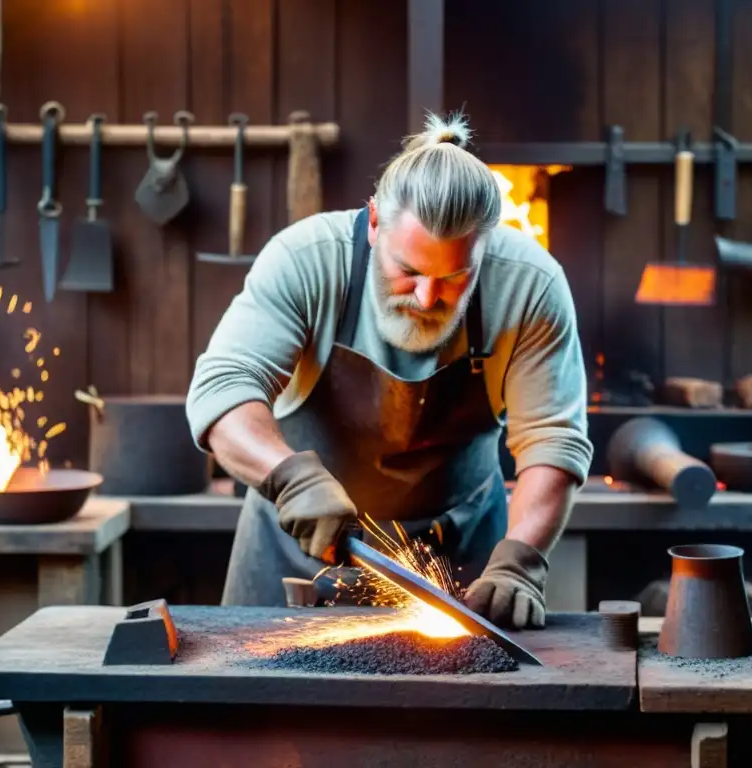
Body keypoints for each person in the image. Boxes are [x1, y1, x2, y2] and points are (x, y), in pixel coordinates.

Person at [185, 111, 593, 629]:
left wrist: (519, 561)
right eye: (409, 272)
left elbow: (553, 441)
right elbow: (224, 391)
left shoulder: (529, 286)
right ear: (374, 222)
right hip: (297, 552)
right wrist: (289, 478)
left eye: (453, 278)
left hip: (464, 561)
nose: (428, 297)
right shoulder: (306, 260)